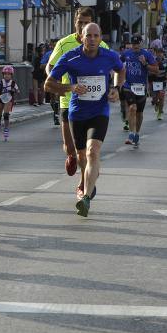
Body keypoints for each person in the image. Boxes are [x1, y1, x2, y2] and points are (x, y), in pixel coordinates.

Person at [46, 22, 124, 217]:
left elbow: (120, 70)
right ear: (81, 37)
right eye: (88, 35)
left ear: (100, 38)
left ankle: (86, 198)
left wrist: (116, 88)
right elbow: (48, 84)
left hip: (99, 112)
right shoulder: (70, 57)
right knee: (81, 156)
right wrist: (70, 88)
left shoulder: (109, 56)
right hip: (77, 113)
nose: (92, 39)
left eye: (96, 36)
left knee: (92, 152)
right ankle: (90, 176)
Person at [45, 7, 94, 176]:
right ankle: (71, 156)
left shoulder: (100, 44)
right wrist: (54, 81)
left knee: (88, 149)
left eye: (87, 23)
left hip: (92, 102)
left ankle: (85, 183)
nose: (83, 26)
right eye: (80, 22)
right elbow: (50, 66)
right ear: (75, 23)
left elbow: (111, 67)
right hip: (68, 100)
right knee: (71, 147)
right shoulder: (64, 44)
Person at [121, 35, 158, 147]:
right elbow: (117, 65)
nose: (135, 46)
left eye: (137, 44)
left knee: (139, 113)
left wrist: (145, 64)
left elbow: (156, 69)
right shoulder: (126, 53)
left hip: (141, 87)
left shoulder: (147, 54)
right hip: (128, 86)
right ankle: (131, 134)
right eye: (133, 44)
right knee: (132, 108)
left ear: (141, 43)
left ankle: (137, 133)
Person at [0, 65, 20, 141]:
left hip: (9, 99)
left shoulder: (13, 83)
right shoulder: (0, 82)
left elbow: (18, 91)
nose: (6, 76)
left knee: (6, 114)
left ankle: (6, 128)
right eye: (5, 74)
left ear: (11, 75)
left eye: (8, 74)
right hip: (1, 98)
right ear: (3, 75)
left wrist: (14, 90)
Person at [150, 46, 167, 121]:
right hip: (154, 81)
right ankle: (156, 104)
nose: (160, 54)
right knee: (155, 98)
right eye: (158, 53)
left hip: (163, 81)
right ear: (156, 53)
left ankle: (160, 113)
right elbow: (148, 69)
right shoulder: (152, 60)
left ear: (163, 53)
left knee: (161, 97)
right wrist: (154, 72)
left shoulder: (166, 61)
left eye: (161, 53)